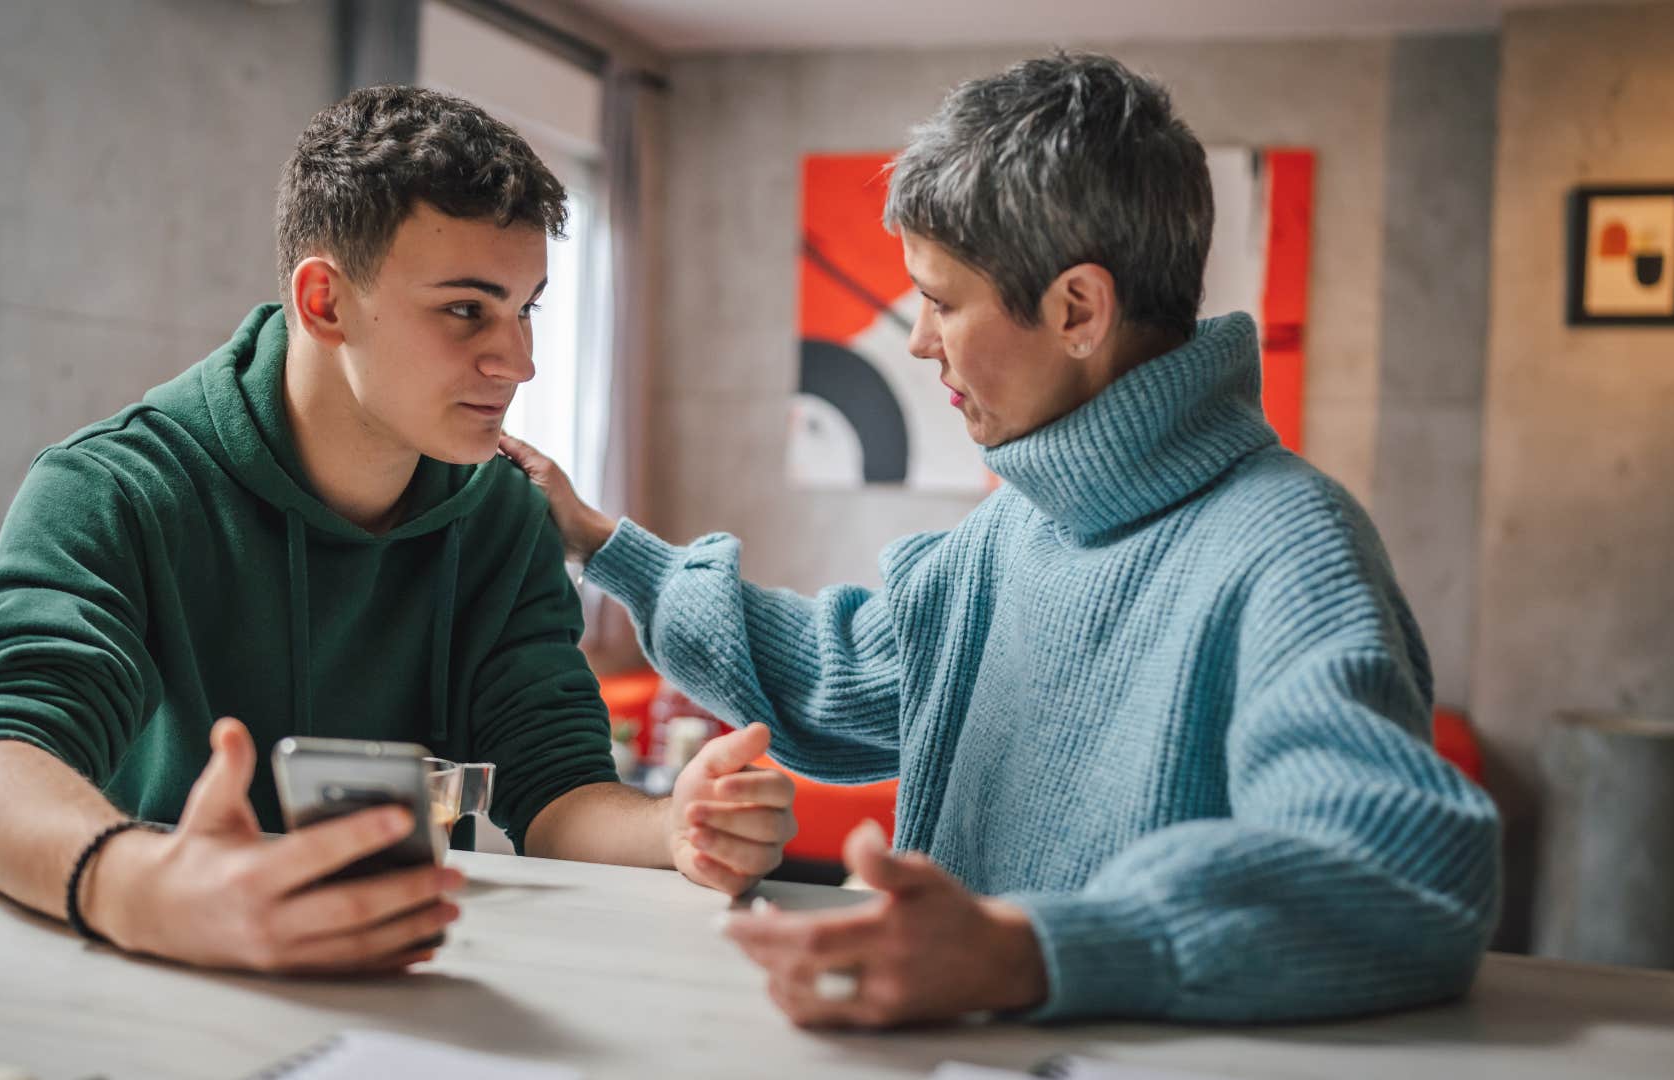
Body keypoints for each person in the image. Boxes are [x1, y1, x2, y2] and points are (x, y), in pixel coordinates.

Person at [501, 52, 1500, 1027]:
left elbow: (1396, 873)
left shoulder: (1291, 549)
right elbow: (835, 678)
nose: (918, 342)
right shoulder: (1013, 528)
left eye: (938, 300)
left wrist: (1027, 950)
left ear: (1077, 309)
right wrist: (600, 540)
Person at [0, 85, 796, 976]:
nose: (520, 362)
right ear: (325, 303)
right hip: (140, 975)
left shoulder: (503, 512)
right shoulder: (111, 487)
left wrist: (677, 826)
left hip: (404, 995)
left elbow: (558, 791)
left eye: (526, 307)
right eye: (467, 308)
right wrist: (144, 887)